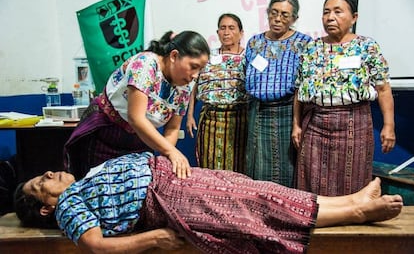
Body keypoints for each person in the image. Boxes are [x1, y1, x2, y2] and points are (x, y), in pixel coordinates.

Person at [14, 152, 403, 254]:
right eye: (40, 183)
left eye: (43, 174)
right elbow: (96, 245)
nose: (49, 175)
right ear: (46, 207)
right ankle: (358, 211)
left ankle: (350, 198)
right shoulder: (69, 206)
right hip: (166, 199)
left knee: (263, 189)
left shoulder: (83, 181)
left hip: (174, 178)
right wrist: (154, 240)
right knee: (261, 209)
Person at [63, 31, 210, 180]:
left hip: (140, 141)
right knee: (97, 186)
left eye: (200, 70)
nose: (195, 75)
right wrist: (172, 152)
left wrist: (165, 158)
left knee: (133, 190)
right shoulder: (146, 65)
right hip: (105, 133)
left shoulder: (184, 88)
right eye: (193, 66)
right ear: (173, 56)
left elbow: (172, 128)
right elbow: (136, 118)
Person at [292, 0, 396, 196]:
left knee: (353, 180)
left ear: (354, 17)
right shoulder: (311, 48)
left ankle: (351, 224)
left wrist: (389, 126)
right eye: (326, 12)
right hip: (315, 124)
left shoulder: (367, 47)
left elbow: (383, 89)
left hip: (354, 124)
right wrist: (296, 125)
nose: (330, 17)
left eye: (338, 12)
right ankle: (316, 225)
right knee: (312, 180)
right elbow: (299, 90)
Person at [245, 0, 312, 186]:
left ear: (294, 19)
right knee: (257, 165)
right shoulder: (254, 42)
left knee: (287, 164)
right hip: (257, 111)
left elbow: (304, 82)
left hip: (288, 110)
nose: (277, 18)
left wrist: (296, 123)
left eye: (284, 15)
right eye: (273, 12)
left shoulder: (304, 43)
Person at [186, 13, 249, 172]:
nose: (226, 32)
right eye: (223, 28)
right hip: (210, 118)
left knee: (238, 164)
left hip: (239, 118)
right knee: (210, 163)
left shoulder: (248, 57)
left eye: (231, 28)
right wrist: (190, 115)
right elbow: (196, 84)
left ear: (241, 33)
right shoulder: (208, 56)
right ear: (217, 32)